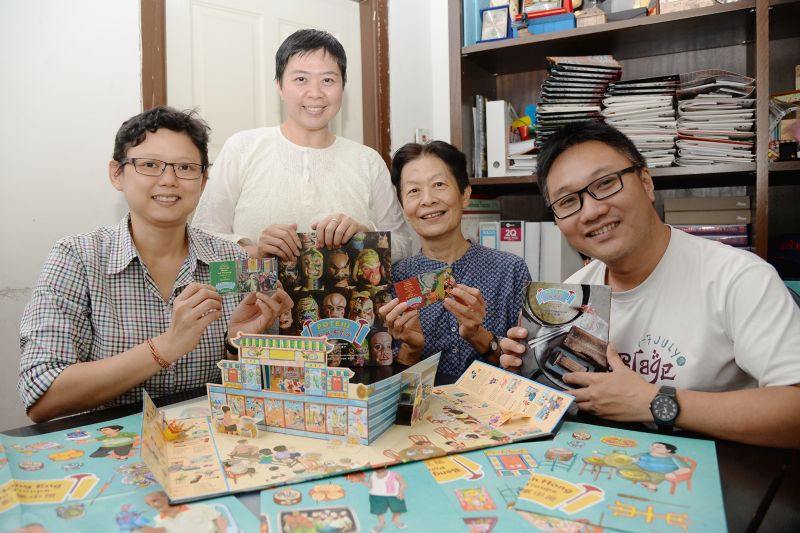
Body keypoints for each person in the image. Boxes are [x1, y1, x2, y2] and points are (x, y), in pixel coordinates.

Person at [499, 122, 800, 448]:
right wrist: (530, 374)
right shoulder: (575, 293)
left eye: (605, 184)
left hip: (729, 479)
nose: (592, 211)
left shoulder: (737, 278)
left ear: (645, 181)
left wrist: (652, 401)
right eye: (568, 202)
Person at [18, 106, 293, 423]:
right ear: (117, 173)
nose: (169, 180)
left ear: (203, 181)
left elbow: (266, 394)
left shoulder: (236, 262)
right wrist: (166, 346)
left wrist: (236, 348)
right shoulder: (76, 258)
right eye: (150, 165)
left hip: (210, 452)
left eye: (185, 167)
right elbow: (41, 397)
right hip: (115, 453)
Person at [191, 28, 413, 262]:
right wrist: (254, 249)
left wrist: (365, 235)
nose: (315, 93)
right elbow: (202, 237)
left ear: (343, 86)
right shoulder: (242, 148)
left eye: (328, 80)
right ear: (279, 85)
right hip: (256, 299)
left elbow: (404, 246)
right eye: (300, 79)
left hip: (344, 299)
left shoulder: (367, 160)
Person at [380, 141, 531, 384]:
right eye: (413, 191)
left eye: (439, 185)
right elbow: (389, 383)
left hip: (493, 414)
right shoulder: (394, 278)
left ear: (465, 195)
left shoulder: (510, 269)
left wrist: (478, 335)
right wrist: (412, 348)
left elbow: (526, 370)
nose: (427, 200)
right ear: (403, 206)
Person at [141, 490, 228, 533]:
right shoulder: (159, 519)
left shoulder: (198, 507)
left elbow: (219, 519)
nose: (152, 506)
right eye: (148, 504)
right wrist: (140, 527)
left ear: (166, 497)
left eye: (155, 501)